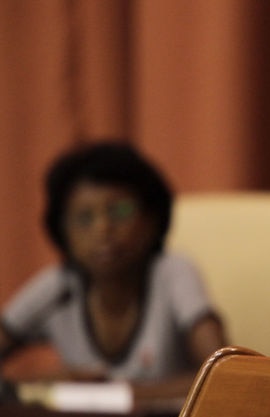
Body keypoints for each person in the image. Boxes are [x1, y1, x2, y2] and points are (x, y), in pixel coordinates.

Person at [0, 141, 227, 403]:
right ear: (63, 232)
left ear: (151, 219)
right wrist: (45, 384)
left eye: (120, 211)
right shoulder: (57, 287)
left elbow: (223, 375)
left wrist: (118, 395)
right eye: (84, 218)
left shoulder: (172, 273)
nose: (103, 229)